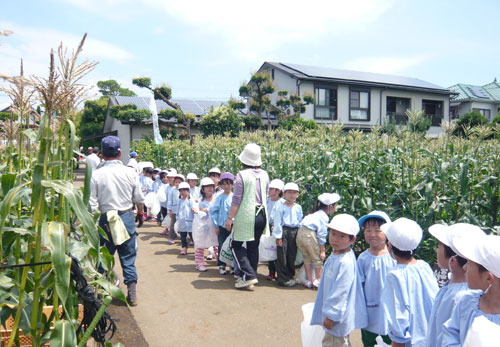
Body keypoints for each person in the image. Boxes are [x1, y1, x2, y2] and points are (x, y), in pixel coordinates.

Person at [89, 135, 144, 306]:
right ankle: (132, 294)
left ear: (102, 154)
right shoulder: (130, 172)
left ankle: (100, 293)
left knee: (104, 256)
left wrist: (91, 223)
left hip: (106, 218)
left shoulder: (96, 175)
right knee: (128, 256)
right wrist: (140, 215)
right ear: (119, 153)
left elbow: (91, 204)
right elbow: (139, 198)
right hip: (126, 216)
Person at [310, 213, 368, 347]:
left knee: (334, 343)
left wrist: (331, 315)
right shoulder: (336, 253)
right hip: (333, 315)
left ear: (352, 239)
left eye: (342, 236)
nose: (335, 239)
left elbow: (341, 291)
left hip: (337, 318)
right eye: (333, 233)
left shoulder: (345, 262)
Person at [381, 218, 439, 347]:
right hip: (431, 339)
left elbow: (399, 316)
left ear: (389, 247)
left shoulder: (394, 276)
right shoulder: (424, 267)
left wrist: (397, 342)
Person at [425, 223, 485, 347]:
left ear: (453, 260)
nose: (437, 250)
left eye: (439, 246)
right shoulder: (455, 288)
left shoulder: (463, 297)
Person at [225, 143, 270, 290]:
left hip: (247, 214)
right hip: (262, 214)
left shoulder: (242, 175)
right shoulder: (265, 174)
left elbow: (237, 199)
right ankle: (250, 276)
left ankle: (249, 275)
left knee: (235, 245)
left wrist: (230, 218)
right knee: (253, 246)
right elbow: (267, 194)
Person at [443, 233, 500, 346]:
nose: (464, 267)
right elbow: (450, 337)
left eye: (469, 263)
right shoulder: (465, 301)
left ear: (488, 278)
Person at [356, 211, 395, 347]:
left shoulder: (394, 258)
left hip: (391, 312)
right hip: (369, 310)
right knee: (369, 341)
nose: (372, 235)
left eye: (378, 230)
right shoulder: (363, 258)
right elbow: (359, 286)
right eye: (368, 230)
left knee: (390, 340)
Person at [297, 192, 340, 289]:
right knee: (317, 259)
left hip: (300, 233)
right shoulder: (323, 216)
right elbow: (322, 234)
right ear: (330, 206)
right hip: (309, 235)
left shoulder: (314, 214)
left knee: (307, 258)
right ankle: (319, 280)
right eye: (335, 206)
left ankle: (309, 280)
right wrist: (322, 251)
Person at [272, 182, 303, 287]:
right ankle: (282, 278)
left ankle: (290, 276)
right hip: (284, 231)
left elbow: (300, 221)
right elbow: (277, 222)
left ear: (298, 195)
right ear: (284, 194)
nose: (292, 195)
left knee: (292, 255)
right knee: (282, 255)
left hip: (294, 231)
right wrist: (278, 236)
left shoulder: (298, 207)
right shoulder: (280, 206)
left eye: (295, 193)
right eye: (289, 192)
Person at [210, 172, 234, 275]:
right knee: (221, 245)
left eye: (228, 183)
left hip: (233, 227)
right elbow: (214, 211)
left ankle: (232, 265)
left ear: (232, 184)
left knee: (232, 245)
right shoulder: (219, 197)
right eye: (224, 184)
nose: (226, 186)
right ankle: (222, 265)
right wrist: (216, 225)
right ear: (221, 185)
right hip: (221, 226)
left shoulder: (235, 197)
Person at [193, 177, 218, 272]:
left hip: (215, 226)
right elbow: (198, 214)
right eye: (207, 187)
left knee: (217, 243)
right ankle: (199, 263)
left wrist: (207, 210)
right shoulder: (199, 201)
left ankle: (220, 260)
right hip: (203, 226)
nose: (209, 188)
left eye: (211, 186)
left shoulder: (216, 199)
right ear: (202, 189)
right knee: (200, 245)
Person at [266, 178, 284, 281]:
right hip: (267, 227)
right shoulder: (266, 201)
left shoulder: (282, 203)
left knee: (278, 250)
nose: (269, 190)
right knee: (269, 248)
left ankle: (279, 272)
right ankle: (271, 272)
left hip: (277, 228)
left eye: (271, 189)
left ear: (278, 191)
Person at [176, 182, 194, 255]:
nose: (182, 192)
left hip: (190, 221)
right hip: (182, 221)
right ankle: (184, 247)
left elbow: (193, 209)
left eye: (184, 190)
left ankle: (197, 248)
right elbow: (177, 211)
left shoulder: (191, 201)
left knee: (192, 235)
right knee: (183, 235)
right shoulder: (179, 201)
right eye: (181, 190)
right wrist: (177, 219)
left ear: (188, 191)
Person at [167, 173, 184, 244]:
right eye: (176, 182)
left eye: (179, 182)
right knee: (173, 224)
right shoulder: (172, 190)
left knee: (183, 223)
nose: (177, 184)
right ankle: (171, 237)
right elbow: (170, 200)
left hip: (182, 210)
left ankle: (183, 236)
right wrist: (170, 210)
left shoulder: (184, 190)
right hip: (174, 210)